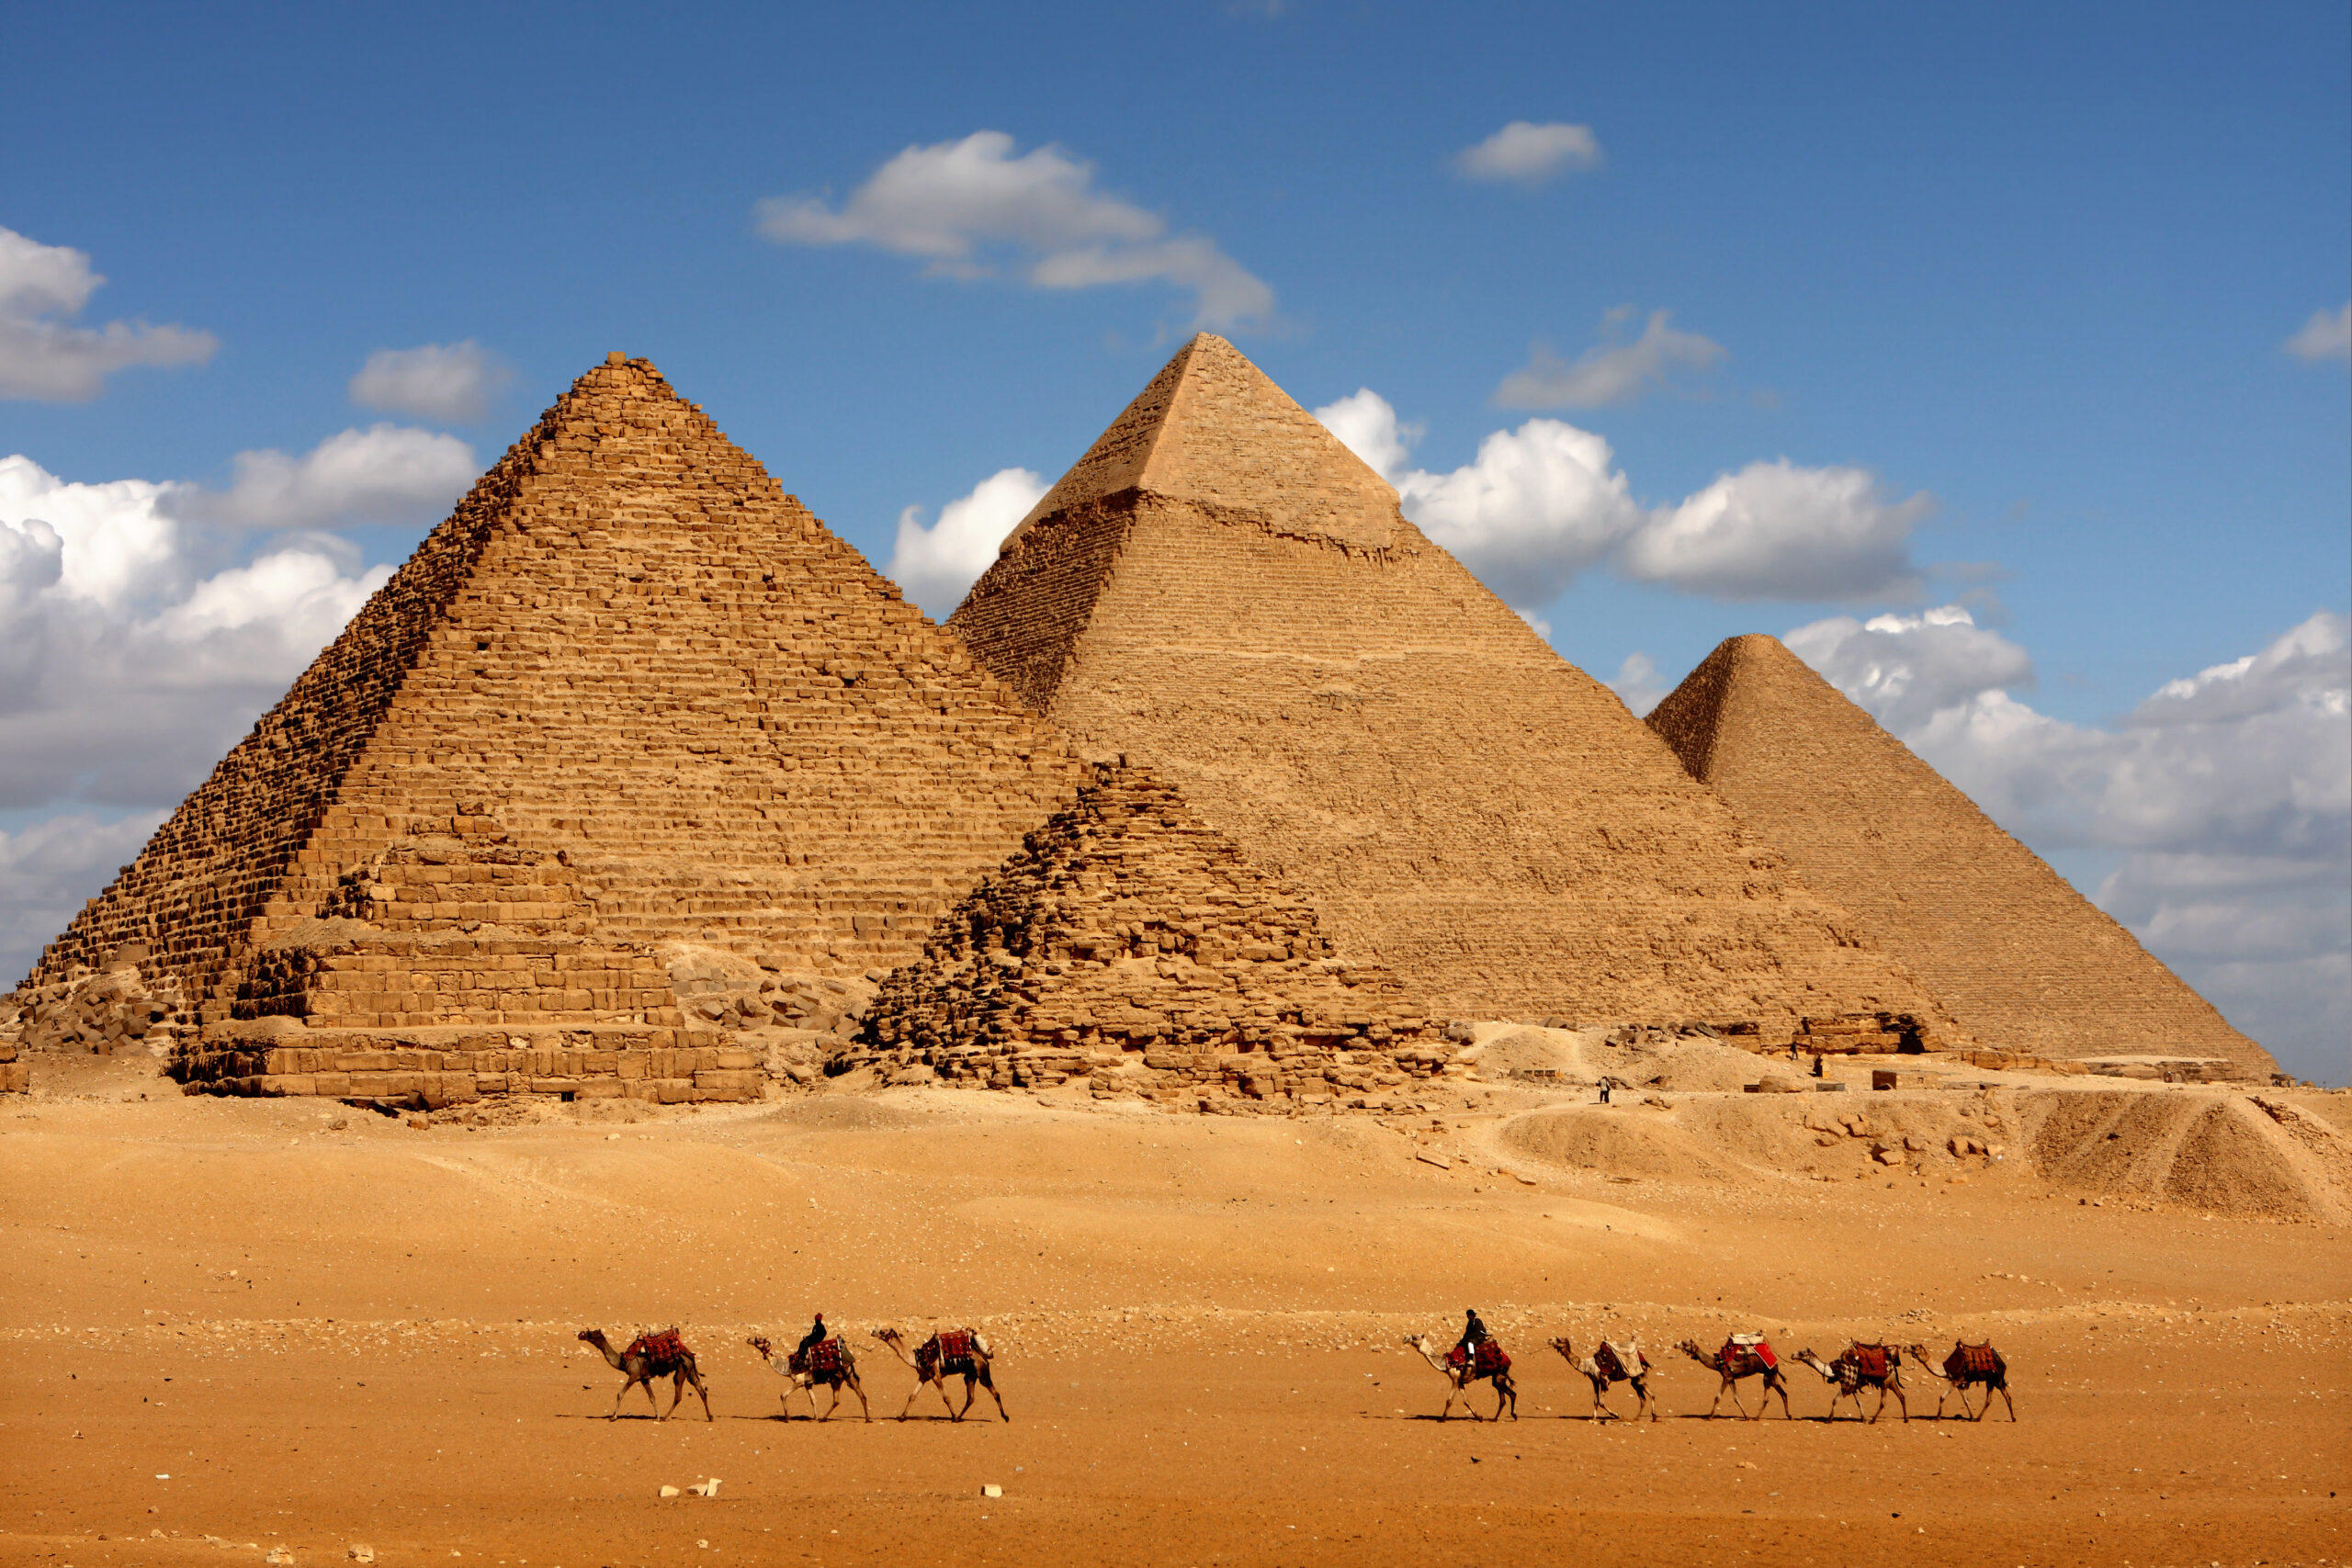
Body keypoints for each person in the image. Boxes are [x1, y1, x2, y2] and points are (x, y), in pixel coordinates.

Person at [1455, 1308, 1489, 1373]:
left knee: (1470, 1344)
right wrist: (1462, 1340)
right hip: (1472, 1337)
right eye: (1468, 1315)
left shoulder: (1477, 1321)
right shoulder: (1470, 1323)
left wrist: (1468, 1338)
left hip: (1479, 1337)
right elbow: (1467, 1332)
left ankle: (1471, 1359)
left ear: (1473, 1315)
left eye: (1469, 1315)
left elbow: (1477, 1332)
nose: (1468, 1316)